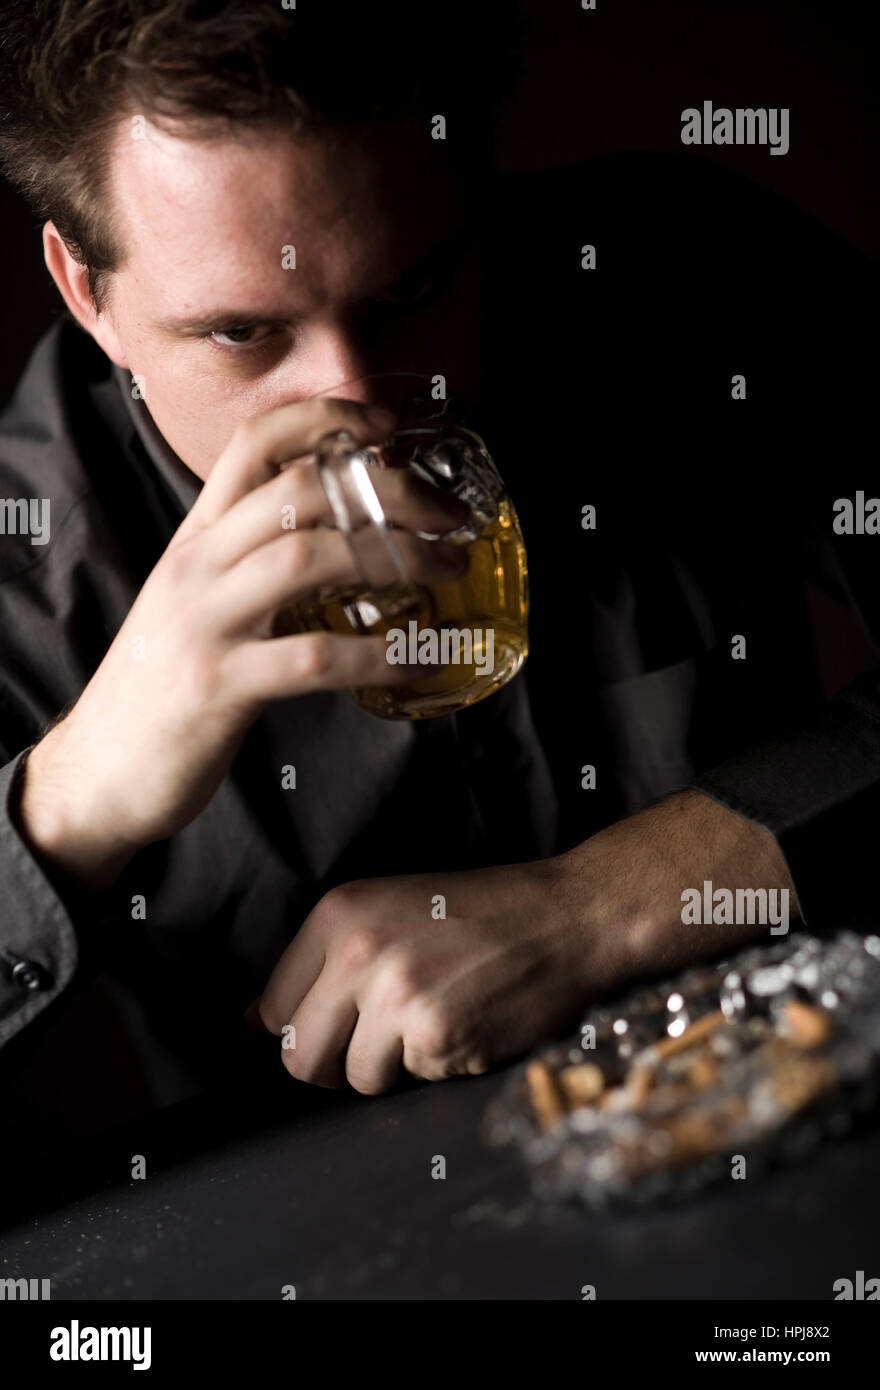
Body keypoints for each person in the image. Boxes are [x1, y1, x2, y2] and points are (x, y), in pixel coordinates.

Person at [0, 0, 874, 1131]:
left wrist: (609, 901)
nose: (355, 409)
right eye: (240, 334)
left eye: (412, 292)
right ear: (87, 291)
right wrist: (62, 809)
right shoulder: (24, 565)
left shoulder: (697, 283)